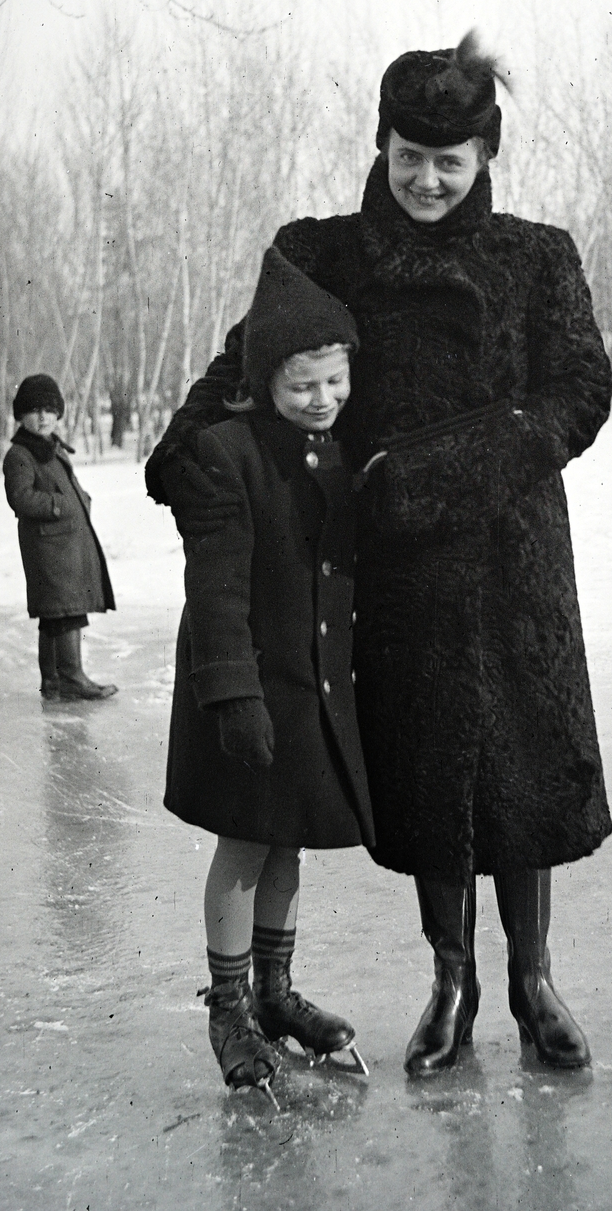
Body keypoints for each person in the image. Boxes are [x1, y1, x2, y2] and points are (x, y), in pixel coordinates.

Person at [147, 31, 612, 1076]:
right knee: (429, 778)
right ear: (382, 142)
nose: (428, 179)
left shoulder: (538, 256)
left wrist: (435, 467)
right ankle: (451, 979)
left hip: (514, 561)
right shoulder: (325, 254)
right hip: (391, 573)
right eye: (410, 155)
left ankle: (534, 981)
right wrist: (187, 450)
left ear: (486, 155)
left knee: (521, 777)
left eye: (451, 161)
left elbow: (578, 392)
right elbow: (249, 364)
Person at [165, 249, 375, 1093]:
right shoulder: (226, 452)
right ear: (261, 385)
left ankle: (274, 993)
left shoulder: (334, 451)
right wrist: (231, 695)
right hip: (245, 692)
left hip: (305, 687)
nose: (321, 401)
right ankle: (227, 1010)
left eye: (333, 382)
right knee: (244, 847)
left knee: (286, 846)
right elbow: (214, 595)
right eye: (300, 388)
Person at [3, 374, 118, 701]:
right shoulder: (21, 454)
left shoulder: (51, 448)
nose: (43, 417)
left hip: (63, 547)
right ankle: (71, 678)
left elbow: (64, 487)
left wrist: (83, 498)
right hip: (47, 548)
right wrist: (61, 505)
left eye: (49, 410)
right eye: (35, 410)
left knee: (57, 614)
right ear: (21, 415)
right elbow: (20, 497)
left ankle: (53, 681)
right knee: (65, 612)